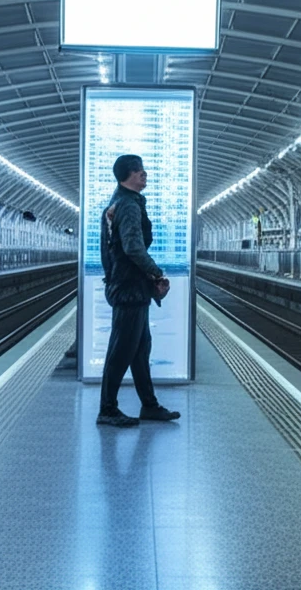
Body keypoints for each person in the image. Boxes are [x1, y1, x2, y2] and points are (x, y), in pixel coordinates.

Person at [97, 154, 180, 428]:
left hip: (129, 286)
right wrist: (156, 272)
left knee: (140, 348)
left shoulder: (120, 202)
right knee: (122, 350)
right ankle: (107, 409)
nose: (144, 174)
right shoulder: (128, 205)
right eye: (138, 170)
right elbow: (132, 247)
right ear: (127, 175)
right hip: (129, 288)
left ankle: (149, 405)